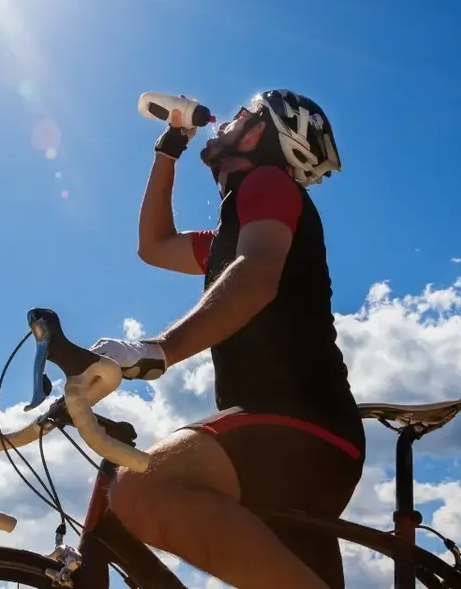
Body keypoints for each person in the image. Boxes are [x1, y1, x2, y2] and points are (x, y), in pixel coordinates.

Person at [89, 89, 364, 589]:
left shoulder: (268, 183)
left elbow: (256, 275)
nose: (227, 124)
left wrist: (160, 349)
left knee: (143, 490)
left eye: (242, 116)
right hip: (286, 439)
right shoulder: (227, 238)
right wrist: (168, 148)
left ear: (264, 133)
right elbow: (153, 246)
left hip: (300, 426)